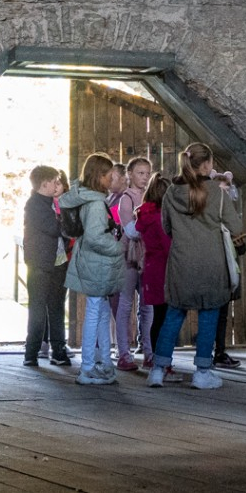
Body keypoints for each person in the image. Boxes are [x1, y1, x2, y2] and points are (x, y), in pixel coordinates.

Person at [150, 143, 243, 391]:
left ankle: (158, 370)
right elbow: (235, 227)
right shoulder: (216, 192)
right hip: (211, 263)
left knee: (173, 315)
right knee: (209, 315)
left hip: (181, 262)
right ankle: (202, 372)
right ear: (206, 165)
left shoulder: (170, 193)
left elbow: (167, 227)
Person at [59, 152, 125, 385]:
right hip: (98, 263)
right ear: (100, 176)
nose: (111, 180)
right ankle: (88, 367)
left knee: (101, 312)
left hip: (91, 262)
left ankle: (104, 363)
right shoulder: (96, 203)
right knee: (96, 313)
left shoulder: (85, 198)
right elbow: (97, 237)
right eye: (109, 176)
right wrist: (118, 249)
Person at [22, 164, 70, 367]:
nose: (57, 185)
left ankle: (58, 350)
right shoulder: (34, 205)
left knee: (57, 307)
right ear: (44, 184)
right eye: (54, 181)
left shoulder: (53, 202)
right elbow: (55, 227)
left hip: (58, 262)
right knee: (38, 308)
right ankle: (31, 353)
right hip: (40, 264)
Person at [111, 155, 152, 372]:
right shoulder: (126, 199)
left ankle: (148, 351)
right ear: (130, 174)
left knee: (148, 305)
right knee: (125, 304)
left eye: (147, 173)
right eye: (140, 173)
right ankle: (124, 353)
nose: (144, 177)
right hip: (129, 256)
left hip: (149, 256)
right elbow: (130, 230)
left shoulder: (151, 197)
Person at [135, 173, 174, 377]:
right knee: (166, 318)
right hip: (165, 270)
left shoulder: (146, 216)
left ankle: (153, 358)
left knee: (158, 316)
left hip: (152, 268)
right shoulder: (161, 219)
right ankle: (162, 361)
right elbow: (169, 248)